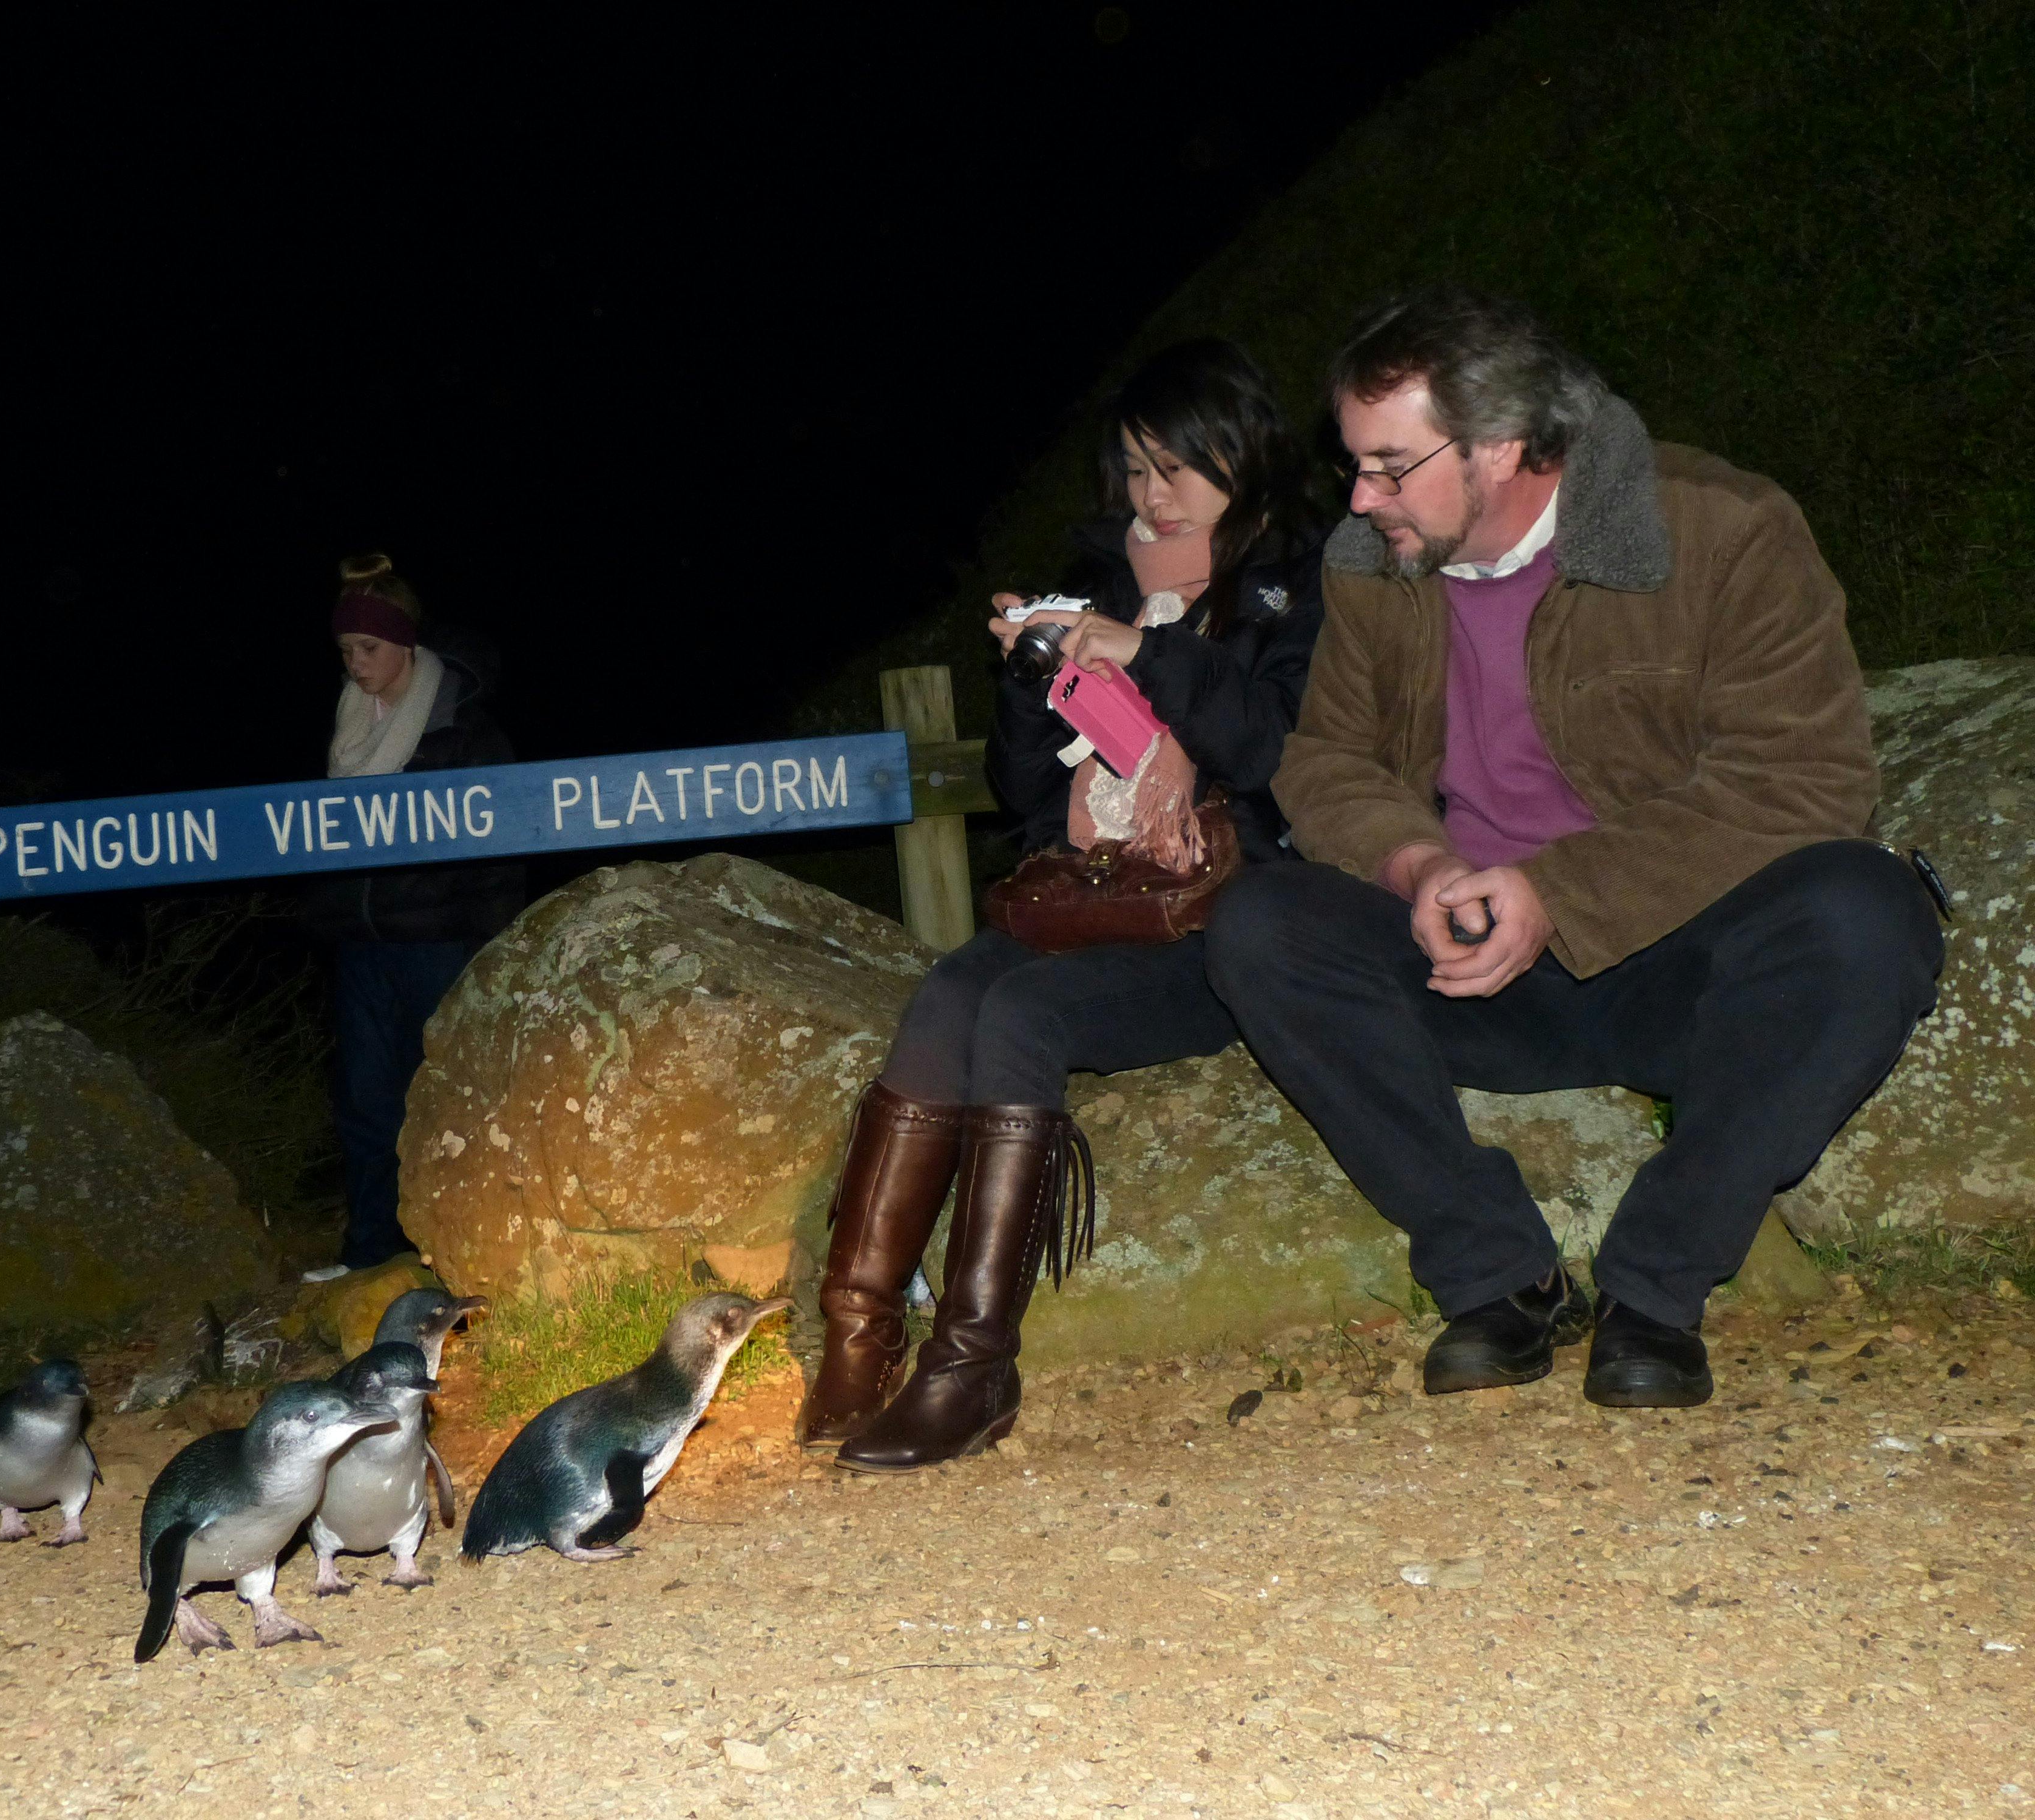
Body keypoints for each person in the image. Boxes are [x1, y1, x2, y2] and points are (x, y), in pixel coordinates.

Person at [1207, 286, 1944, 1409]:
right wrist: (1422, 867)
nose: (1360, 498)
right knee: (1263, 926)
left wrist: (1559, 890)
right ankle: (1500, 1278)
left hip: (1678, 967)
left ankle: (1657, 1288)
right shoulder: (1371, 560)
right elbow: (1328, 765)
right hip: (1473, 970)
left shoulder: (1719, 528)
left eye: (1391, 466)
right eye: (1356, 464)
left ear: (1502, 446)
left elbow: (1809, 780)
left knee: (1868, 910)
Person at [805, 339, 1327, 1473]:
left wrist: (1149, 655)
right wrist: (1035, 676)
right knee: (952, 989)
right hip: (1083, 893)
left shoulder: (1297, 581)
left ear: (1245, 459)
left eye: (1181, 468)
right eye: (1137, 470)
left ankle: (973, 1362)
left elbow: (1275, 751)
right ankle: (857, 1332)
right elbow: (1020, 791)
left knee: (1026, 1017)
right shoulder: (1089, 578)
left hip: (1220, 915)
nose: (1153, 497)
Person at [299, 554, 527, 1277]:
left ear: (405, 644)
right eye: (344, 652)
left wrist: (487, 949)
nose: (356, 664)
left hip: (440, 946)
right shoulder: (348, 730)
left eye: (368, 648)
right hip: (361, 948)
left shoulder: (464, 730)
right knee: (368, 1106)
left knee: (453, 1103)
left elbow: (504, 852)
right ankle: (371, 1256)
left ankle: (469, 1257)